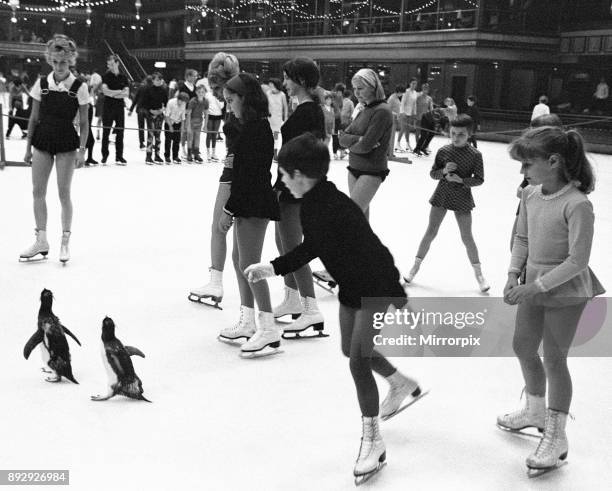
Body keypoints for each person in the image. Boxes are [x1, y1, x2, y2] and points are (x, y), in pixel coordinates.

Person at [245, 133, 423, 482]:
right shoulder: (312, 203)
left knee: (358, 360)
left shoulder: (337, 206)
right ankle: (400, 382)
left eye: (283, 175)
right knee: (349, 350)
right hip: (351, 289)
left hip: (373, 288)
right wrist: (272, 267)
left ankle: (373, 440)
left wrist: (398, 296)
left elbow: (376, 250)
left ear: (299, 175)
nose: (280, 181)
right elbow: (314, 246)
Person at [499, 126, 604, 475]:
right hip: (532, 283)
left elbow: (578, 260)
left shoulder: (578, 205)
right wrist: (515, 274)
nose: (523, 171)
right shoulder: (530, 194)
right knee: (523, 347)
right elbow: (523, 238)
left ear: (554, 161)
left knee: (555, 358)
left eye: (528, 163)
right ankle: (534, 409)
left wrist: (535, 286)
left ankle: (557, 436)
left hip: (566, 289)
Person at [216, 73, 280, 355]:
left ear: (245, 98)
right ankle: (248, 320)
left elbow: (249, 175)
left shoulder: (256, 129)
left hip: (253, 202)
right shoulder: (249, 126)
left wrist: (228, 210)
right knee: (239, 259)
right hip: (248, 200)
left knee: (251, 266)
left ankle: (268, 328)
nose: (229, 106)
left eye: (232, 100)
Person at [20, 35, 89, 264]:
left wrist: (82, 149)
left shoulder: (80, 87)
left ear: (71, 61)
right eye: (56, 61)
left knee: (63, 192)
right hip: (43, 141)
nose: (60, 66)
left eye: (64, 62)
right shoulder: (41, 84)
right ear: (50, 60)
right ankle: (41, 239)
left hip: (67, 143)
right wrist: (28, 148)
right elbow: (33, 117)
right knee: (37, 191)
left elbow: (85, 122)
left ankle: (65, 241)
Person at [404, 114, 489, 292]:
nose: (456, 138)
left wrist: (462, 180)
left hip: (463, 197)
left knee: (467, 236)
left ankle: (479, 274)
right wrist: (443, 171)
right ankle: (415, 267)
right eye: (453, 133)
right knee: (430, 231)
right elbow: (433, 173)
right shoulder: (443, 151)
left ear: (470, 135)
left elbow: (480, 179)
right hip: (442, 194)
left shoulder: (475, 155)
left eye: (461, 134)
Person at [272, 57, 325, 334]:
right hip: (293, 183)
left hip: (295, 186)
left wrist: (288, 184)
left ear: (302, 80)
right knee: (283, 242)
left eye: (288, 78)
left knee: (293, 248)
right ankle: (293, 299)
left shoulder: (308, 112)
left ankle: (311, 309)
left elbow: (306, 152)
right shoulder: (308, 109)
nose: (285, 84)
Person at [189, 52, 241, 306]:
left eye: (218, 88)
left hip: (235, 174)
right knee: (230, 232)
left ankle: (216, 283)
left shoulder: (239, 105)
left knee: (219, 226)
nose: (218, 94)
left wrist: (234, 158)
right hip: (235, 170)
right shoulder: (237, 103)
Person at [339, 68, 393, 221]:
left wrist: (353, 141)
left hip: (371, 170)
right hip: (354, 168)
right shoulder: (363, 108)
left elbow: (365, 146)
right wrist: (358, 140)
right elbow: (342, 138)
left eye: (360, 88)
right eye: (354, 88)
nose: (356, 92)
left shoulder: (382, 111)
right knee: (361, 222)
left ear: (373, 87)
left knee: (351, 217)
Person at [509, 113, 563, 253]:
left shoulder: (557, 163)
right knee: (517, 247)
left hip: (545, 212)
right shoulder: (532, 156)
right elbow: (525, 179)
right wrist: (521, 189)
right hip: (526, 205)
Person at [100, 54, 129, 165]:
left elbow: (126, 93)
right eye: (108, 64)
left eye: (112, 64)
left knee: (120, 132)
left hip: (119, 108)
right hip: (108, 107)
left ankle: (119, 156)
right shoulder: (106, 76)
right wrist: (118, 92)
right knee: (106, 132)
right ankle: (105, 155)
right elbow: (105, 91)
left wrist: (112, 93)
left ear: (117, 63)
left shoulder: (123, 77)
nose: (110, 66)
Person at [141, 72, 168, 165]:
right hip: (150, 114)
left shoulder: (164, 90)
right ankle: (148, 155)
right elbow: (144, 103)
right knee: (150, 135)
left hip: (160, 114)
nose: (159, 81)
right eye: (157, 79)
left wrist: (161, 110)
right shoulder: (148, 90)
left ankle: (157, 154)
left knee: (158, 136)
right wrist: (151, 111)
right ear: (153, 80)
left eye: (160, 79)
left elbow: (166, 102)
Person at [185, 84, 209, 163]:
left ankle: (196, 153)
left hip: (199, 121)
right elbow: (188, 114)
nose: (201, 93)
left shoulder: (206, 101)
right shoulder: (193, 101)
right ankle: (189, 153)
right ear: (196, 92)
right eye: (199, 92)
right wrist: (188, 126)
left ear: (205, 92)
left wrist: (205, 125)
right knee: (190, 138)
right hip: (191, 120)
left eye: (202, 92)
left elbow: (206, 113)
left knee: (197, 138)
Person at [266, 78, 288, 161]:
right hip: (269, 119)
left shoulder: (282, 95)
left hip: (277, 120)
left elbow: (285, 107)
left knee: (275, 137)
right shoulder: (268, 93)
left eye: (272, 86)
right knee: (268, 137)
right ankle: (269, 152)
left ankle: (275, 153)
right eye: (270, 86)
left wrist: (285, 118)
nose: (271, 87)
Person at [163, 92, 188, 164]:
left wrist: (182, 127)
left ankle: (175, 156)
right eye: (182, 101)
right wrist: (170, 126)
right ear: (178, 99)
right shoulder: (171, 102)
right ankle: (167, 156)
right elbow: (167, 116)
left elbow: (183, 117)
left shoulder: (184, 103)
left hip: (178, 123)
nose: (183, 103)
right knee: (168, 140)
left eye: (184, 102)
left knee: (177, 141)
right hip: (169, 122)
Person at [128, 75, 151, 150]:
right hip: (148, 110)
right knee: (149, 127)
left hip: (140, 109)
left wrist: (131, 110)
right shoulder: (152, 89)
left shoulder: (141, 87)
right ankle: (149, 143)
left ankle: (141, 143)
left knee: (141, 127)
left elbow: (135, 99)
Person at [205, 83, 224, 161]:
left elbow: (221, 106)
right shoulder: (207, 94)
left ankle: (213, 153)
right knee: (209, 134)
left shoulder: (220, 95)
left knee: (214, 134)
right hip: (209, 115)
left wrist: (217, 98)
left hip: (218, 115)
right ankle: (208, 153)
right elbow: (206, 105)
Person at [398, 78, 418, 152]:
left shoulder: (415, 92)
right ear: (410, 84)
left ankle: (407, 144)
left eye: (415, 83)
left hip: (411, 113)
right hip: (404, 113)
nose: (414, 85)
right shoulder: (406, 91)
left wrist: (415, 113)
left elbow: (414, 104)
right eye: (413, 83)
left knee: (408, 129)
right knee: (402, 128)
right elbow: (402, 102)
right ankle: (398, 144)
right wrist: (402, 112)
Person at [414, 83, 433, 154]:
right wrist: (415, 116)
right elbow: (415, 106)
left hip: (426, 118)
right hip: (418, 117)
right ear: (422, 89)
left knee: (424, 134)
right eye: (424, 89)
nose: (425, 90)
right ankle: (417, 147)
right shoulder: (418, 97)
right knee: (418, 132)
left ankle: (423, 147)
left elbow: (431, 108)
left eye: (427, 89)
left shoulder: (429, 98)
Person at [386, 85, 404, 157]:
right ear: (399, 92)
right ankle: (388, 152)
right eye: (402, 93)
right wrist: (396, 114)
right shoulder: (392, 98)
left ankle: (390, 151)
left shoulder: (396, 98)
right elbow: (388, 109)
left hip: (394, 120)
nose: (402, 94)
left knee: (391, 136)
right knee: (389, 137)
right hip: (391, 119)